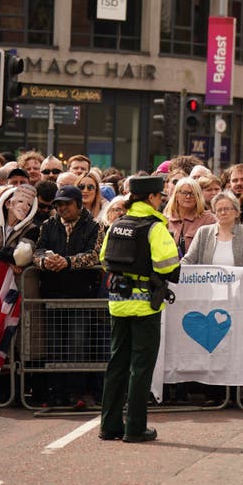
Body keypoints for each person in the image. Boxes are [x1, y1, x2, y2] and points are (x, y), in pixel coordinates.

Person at [98, 175, 179, 442]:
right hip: (145, 306)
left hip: (118, 304)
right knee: (141, 367)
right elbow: (168, 265)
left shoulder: (117, 224)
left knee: (117, 364)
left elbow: (104, 259)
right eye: (160, 196)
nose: (161, 201)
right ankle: (135, 428)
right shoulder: (154, 227)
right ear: (151, 198)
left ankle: (109, 426)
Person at [34, 184, 106, 409]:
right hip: (52, 294)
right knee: (54, 346)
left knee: (77, 344)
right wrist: (46, 260)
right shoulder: (48, 225)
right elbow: (38, 250)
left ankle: (76, 393)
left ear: (78, 204)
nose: (62, 208)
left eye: (67, 204)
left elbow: (95, 254)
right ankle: (56, 392)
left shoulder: (94, 226)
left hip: (80, 295)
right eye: (59, 204)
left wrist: (68, 262)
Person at [181, 192, 243, 267]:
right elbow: (188, 260)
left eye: (226, 209)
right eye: (219, 210)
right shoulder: (203, 232)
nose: (223, 213)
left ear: (237, 212)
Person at [164, 177, 216, 258]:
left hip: (197, 268)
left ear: (198, 196)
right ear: (176, 195)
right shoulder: (165, 219)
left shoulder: (209, 220)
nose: (188, 196)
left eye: (192, 194)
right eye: (184, 193)